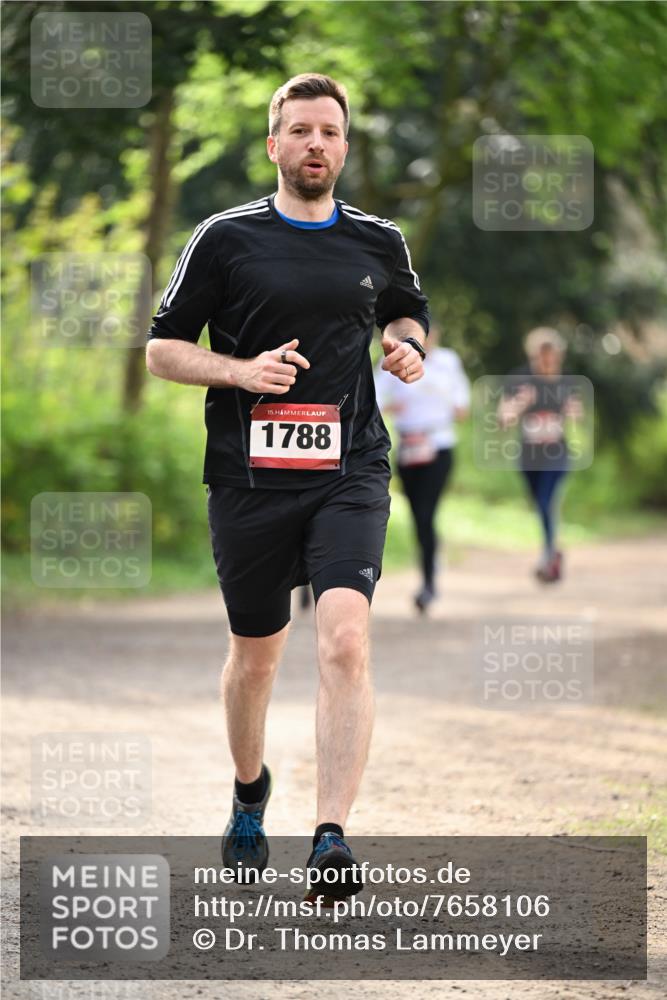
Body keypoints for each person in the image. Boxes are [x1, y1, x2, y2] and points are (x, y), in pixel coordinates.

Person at [146, 73, 429, 901]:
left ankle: (330, 837)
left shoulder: (378, 239)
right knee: (256, 657)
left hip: (350, 469)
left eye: (329, 132)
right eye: (300, 130)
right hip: (249, 479)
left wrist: (406, 345)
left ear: (344, 147)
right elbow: (162, 349)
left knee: (344, 639)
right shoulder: (224, 238)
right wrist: (240, 371)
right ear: (274, 145)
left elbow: (405, 311)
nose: (315, 144)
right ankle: (248, 791)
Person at [374, 325, 469, 612]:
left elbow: (462, 406)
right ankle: (430, 559)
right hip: (408, 447)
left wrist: (445, 403)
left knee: (427, 513)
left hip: (438, 446)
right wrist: (393, 407)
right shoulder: (393, 360)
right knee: (418, 515)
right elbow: (373, 399)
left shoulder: (448, 362)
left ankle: (428, 583)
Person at [498, 327, 582, 583]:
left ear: (558, 356)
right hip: (529, 456)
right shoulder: (519, 380)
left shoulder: (567, 383)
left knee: (546, 502)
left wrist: (574, 412)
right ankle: (554, 551)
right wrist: (521, 403)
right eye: (541, 358)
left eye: (551, 358)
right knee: (540, 504)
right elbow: (503, 418)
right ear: (533, 356)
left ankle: (547, 555)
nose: (546, 364)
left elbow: (579, 418)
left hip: (558, 454)